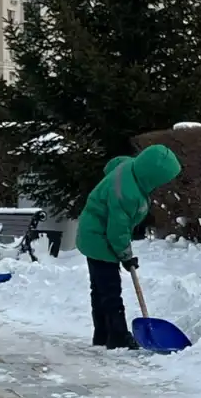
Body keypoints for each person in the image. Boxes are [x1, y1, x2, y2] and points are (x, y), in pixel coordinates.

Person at [75, 145, 182, 349]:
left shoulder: (130, 167)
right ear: (152, 175)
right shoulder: (128, 194)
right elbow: (118, 231)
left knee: (99, 289)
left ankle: (102, 335)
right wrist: (126, 256)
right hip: (100, 238)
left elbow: (112, 166)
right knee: (110, 290)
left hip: (92, 233)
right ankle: (117, 337)